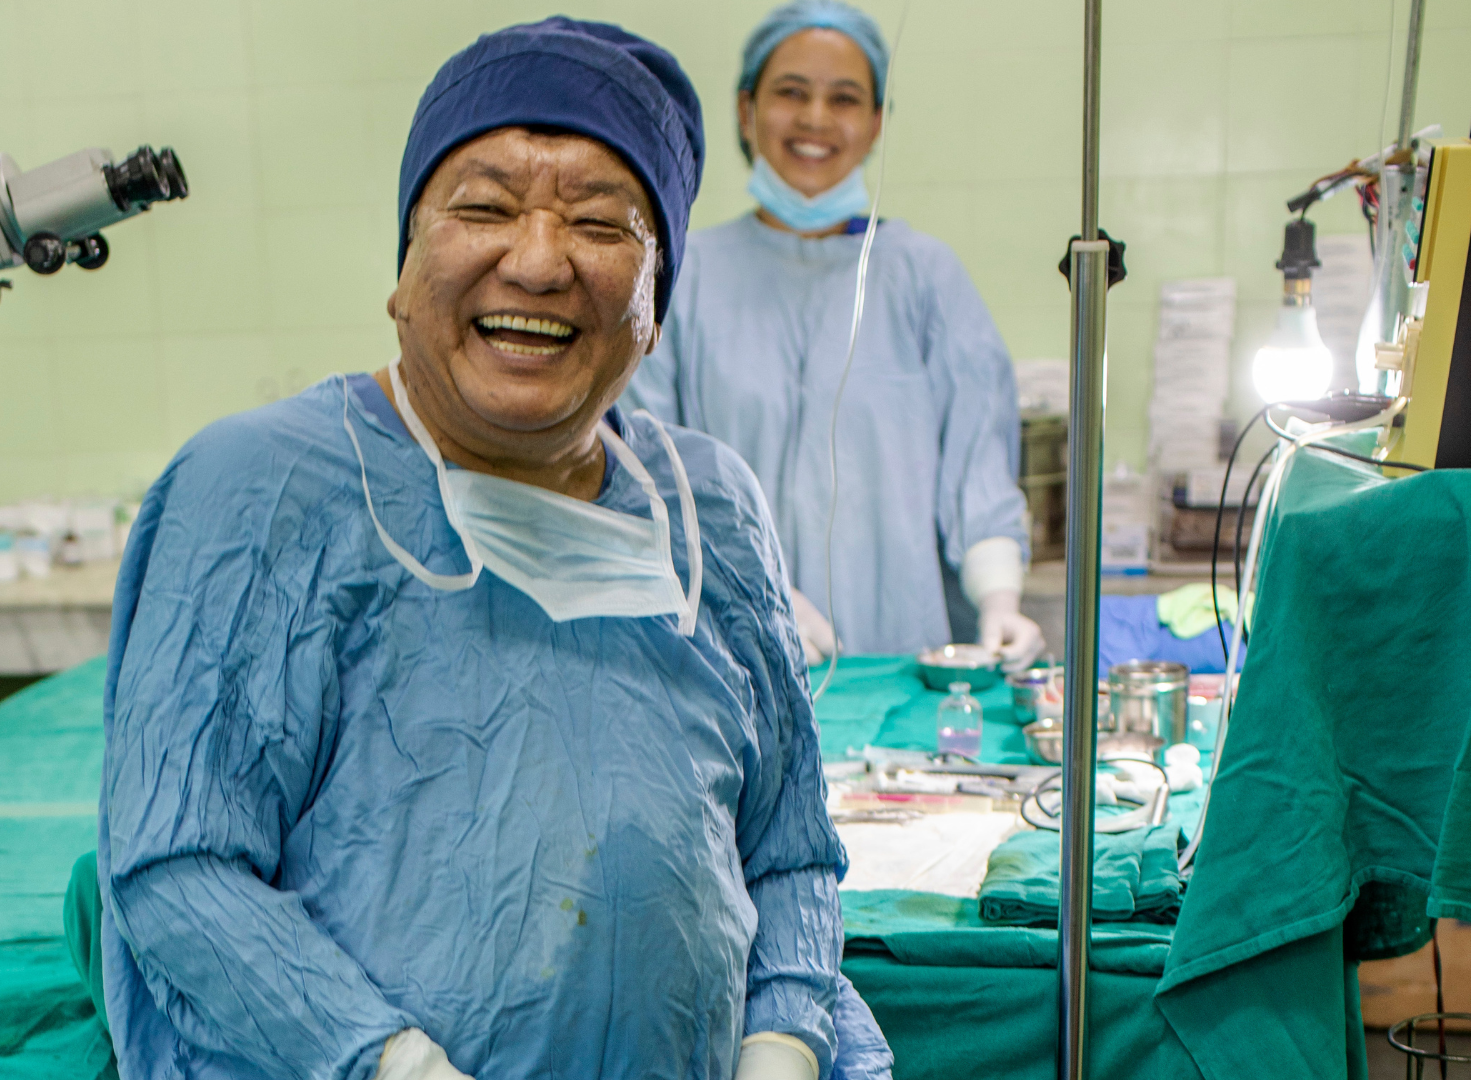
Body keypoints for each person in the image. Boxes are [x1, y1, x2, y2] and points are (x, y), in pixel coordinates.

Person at [81, 17, 893, 1080]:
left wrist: (782, 1041)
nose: (539, 261)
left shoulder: (710, 508)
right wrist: (393, 1065)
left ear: (656, 304)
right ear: (407, 263)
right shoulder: (264, 488)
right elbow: (179, 870)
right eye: (484, 208)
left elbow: (787, 856)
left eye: (602, 225)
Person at [624, 0, 1043, 665]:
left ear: (876, 123)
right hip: (730, 654)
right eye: (792, 93)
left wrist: (1000, 600)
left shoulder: (922, 275)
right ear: (746, 109)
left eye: (844, 98)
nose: (816, 118)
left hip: (901, 658)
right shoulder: (684, 276)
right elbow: (646, 469)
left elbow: (978, 467)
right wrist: (749, 588)